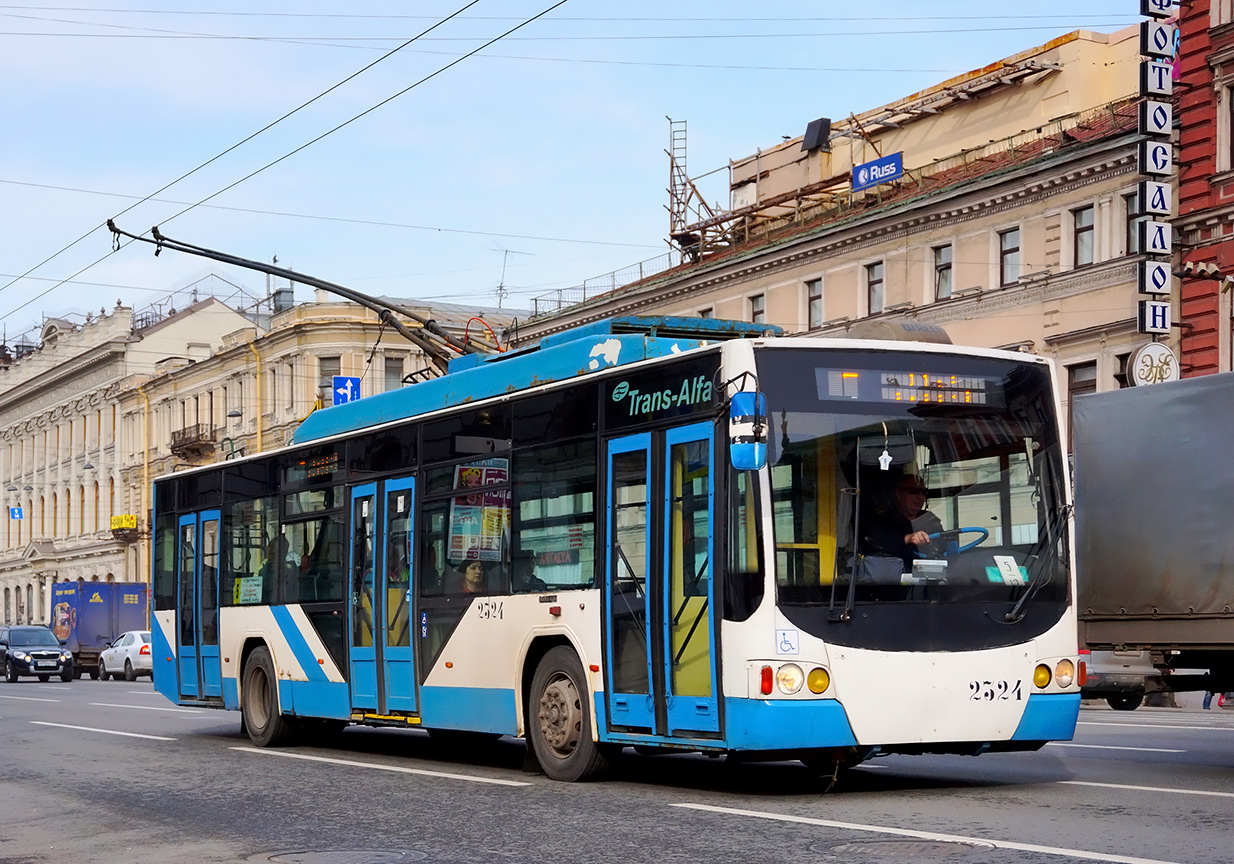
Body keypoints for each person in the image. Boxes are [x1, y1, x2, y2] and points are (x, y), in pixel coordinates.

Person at [860, 473, 944, 571]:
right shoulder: (882, 520)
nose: (920, 497)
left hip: (926, 577)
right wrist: (907, 538)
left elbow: (944, 546)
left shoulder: (930, 519)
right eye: (914, 491)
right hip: (892, 578)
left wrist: (932, 544)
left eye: (923, 492)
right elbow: (874, 543)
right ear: (899, 494)